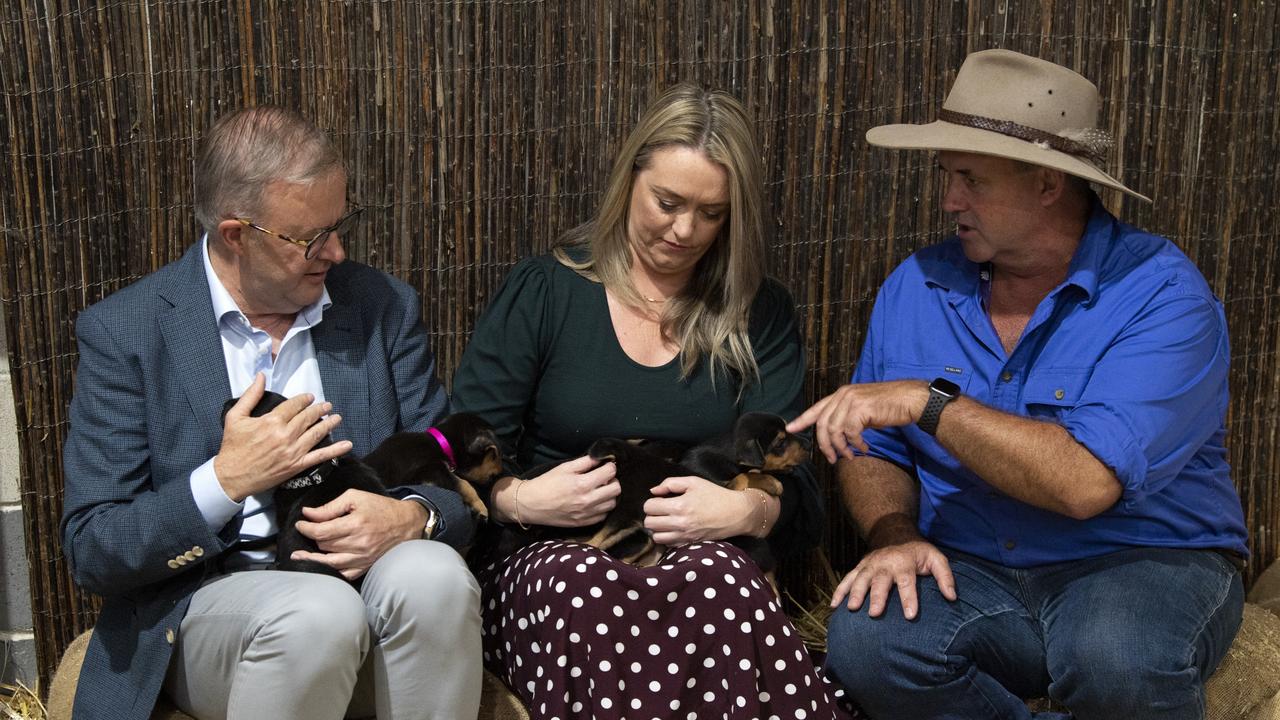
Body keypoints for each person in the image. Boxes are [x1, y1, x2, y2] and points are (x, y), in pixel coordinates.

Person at [790, 49, 1248, 719]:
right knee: (867, 642)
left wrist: (931, 402)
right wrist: (896, 536)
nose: (949, 200)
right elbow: (872, 448)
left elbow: (1085, 483)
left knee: (1111, 654)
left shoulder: (1160, 294)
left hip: (1144, 561)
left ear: (1046, 183)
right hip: (975, 569)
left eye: (972, 179)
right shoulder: (917, 285)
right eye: (948, 176)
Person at [60, 106, 482, 720]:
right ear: (237, 234)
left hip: (373, 593)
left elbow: (446, 474)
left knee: (434, 574)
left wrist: (411, 515)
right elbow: (95, 548)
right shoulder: (129, 331)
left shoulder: (380, 307)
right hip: (210, 614)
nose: (336, 251)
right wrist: (225, 480)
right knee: (316, 613)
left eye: (342, 224)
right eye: (311, 238)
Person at [451, 84, 857, 719]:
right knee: (589, 589)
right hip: (553, 555)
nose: (684, 230)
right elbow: (459, 447)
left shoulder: (760, 312)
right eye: (666, 202)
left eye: (712, 213)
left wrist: (747, 511)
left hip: (705, 553)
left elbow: (798, 491)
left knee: (725, 582)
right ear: (628, 178)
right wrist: (521, 499)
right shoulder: (548, 290)